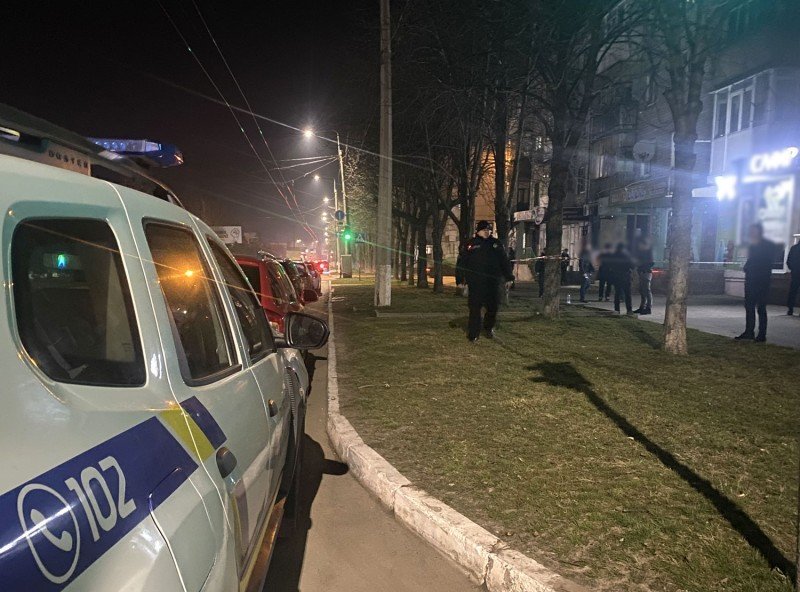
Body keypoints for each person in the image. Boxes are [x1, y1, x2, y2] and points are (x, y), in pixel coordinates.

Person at [460, 221, 514, 341]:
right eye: (484, 230)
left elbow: (504, 261)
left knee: (493, 307)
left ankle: (488, 327)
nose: (487, 232)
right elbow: (462, 262)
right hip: (476, 282)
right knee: (475, 308)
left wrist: (509, 277)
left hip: (492, 282)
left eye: (488, 230)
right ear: (478, 231)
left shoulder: (496, 244)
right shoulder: (471, 244)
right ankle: (473, 333)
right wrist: (460, 278)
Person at [735, 223, 776, 342]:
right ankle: (749, 331)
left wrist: (751, 269)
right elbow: (751, 261)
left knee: (761, 308)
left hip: (761, 281)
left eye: (753, 230)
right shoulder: (753, 245)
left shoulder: (766, 246)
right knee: (749, 307)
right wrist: (747, 268)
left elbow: (765, 263)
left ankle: (762, 334)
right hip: (751, 281)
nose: (751, 233)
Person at [609, 242, 634, 314]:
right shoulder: (627, 256)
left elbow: (611, 266)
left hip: (617, 277)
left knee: (617, 294)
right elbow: (632, 266)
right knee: (627, 294)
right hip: (626, 277)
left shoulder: (614, 256)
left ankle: (617, 310)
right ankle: (629, 310)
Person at [632, 235, 654, 315]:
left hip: (646, 273)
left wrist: (642, 266)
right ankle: (642, 307)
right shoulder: (642, 253)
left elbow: (651, 263)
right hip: (642, 272)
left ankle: (648, 308)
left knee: (647, 291)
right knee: (642, 290)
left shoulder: (648, 252)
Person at [786, 241, 800, 315]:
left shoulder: (794, 248)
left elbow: (788, 261)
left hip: (795, 272)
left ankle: (790, 308)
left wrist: (793, 269)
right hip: (796, 271)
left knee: (793, 291)